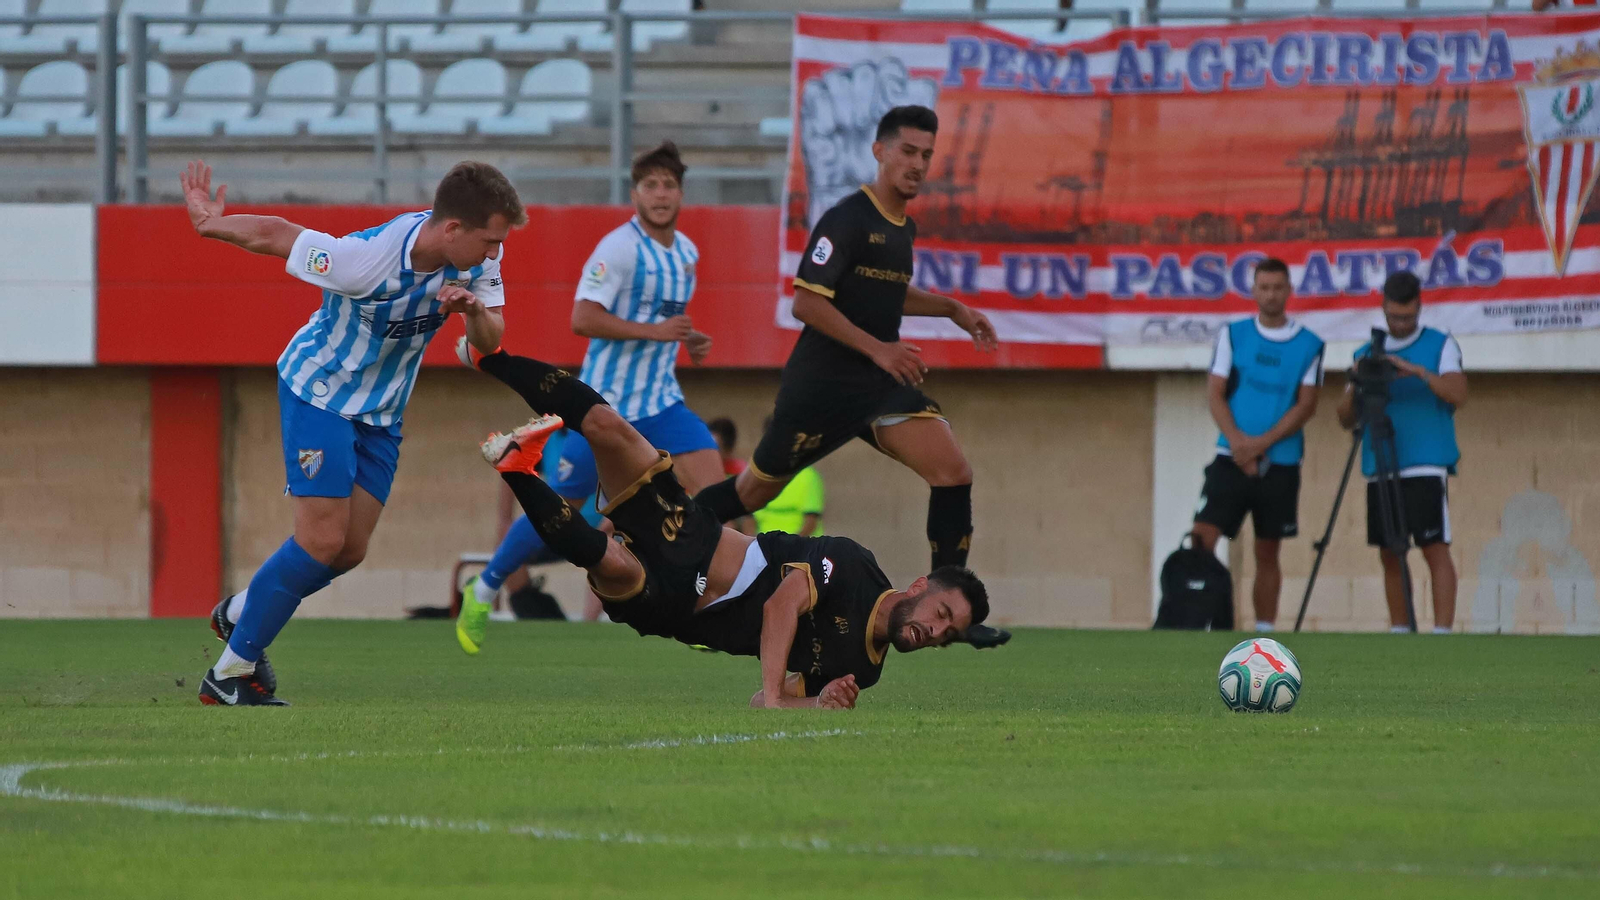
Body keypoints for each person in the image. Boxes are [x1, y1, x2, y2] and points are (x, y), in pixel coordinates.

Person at [459, 340, 993, 707]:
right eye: (943, 612)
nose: (938, 632)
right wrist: (784, 703)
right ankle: (490, 357)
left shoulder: (865, 671)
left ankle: (517, 468)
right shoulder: (855, 566)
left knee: (609, 563)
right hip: (697, 538)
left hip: (678, 611)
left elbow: (766, 699)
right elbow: (784, 601)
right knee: (606, 425)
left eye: (949, 635)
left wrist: (819, 706)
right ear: (921, 586)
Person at [181, 159, 524, 705]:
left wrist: (472, 311)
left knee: (348, 550)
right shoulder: (366, 261)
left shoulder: (476, 264)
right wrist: (207, 223)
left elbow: (490, 339)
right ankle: (228, 674)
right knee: (320, 539)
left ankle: (241, 611)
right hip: (320, 393)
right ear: (453, 228)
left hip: (382, 413)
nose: (495, 253)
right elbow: (277, 235)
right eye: (489, 241)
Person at [689, 105, 1010, 648]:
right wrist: (881, 350)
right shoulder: (847, 218)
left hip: (876, 387)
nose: (916, 163)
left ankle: (950, 606)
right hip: (821, 386)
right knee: (751, 490)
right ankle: (667, 529)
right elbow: (807, 302)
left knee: (952, 470)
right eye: (907, 151)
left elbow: (889, 292)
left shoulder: (902, 228)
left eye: (926, 155)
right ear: (879, 151)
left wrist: (952, 308)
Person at [454, 142, 724, 653]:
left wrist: (688, 340)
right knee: (563, 510)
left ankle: (711, 606)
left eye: (669, 185)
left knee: (718, 497)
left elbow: (661, 324)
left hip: (663, 403)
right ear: (635, 193)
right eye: (650, 186)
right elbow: (582, 319)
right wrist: (656, 331)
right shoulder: (618, 248)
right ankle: (485, 587)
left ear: (681, 193)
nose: (660, 195)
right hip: (605, 406)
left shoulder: (686, 253)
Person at [1192, 258, 1325, 632]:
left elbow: (1306, 405)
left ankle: (1264, 631)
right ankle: (1200, 619)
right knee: (1202, 536)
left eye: (1277, 287)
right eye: (1263, 287)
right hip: (1229, 456)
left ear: (1289, 291)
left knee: (1267, 549)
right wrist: (1238, 444)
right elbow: (1215, 393)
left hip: (1279, 463)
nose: (1270, 294)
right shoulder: (1233, 335)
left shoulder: (1309, 344)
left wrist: (1259, 445)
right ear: (1253, 291)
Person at [1336, 271, 1468, 634]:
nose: (1400, 323)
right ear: (1383, 309)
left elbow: (1458, 394)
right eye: (1394, 316)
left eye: (1408, 317)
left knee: (1433, 546)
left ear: (1419, 308)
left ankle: (1441, 633)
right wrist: (1355, 382)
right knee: (1389, 551)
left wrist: (1415, 371)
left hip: (1425, 463)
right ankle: (1400, 631)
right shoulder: (1367, 353)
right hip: (1380, 462)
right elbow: (1345, 419)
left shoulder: (1440, 344)